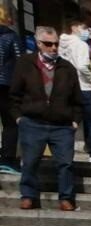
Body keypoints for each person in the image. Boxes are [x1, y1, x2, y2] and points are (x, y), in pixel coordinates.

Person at [10, 26, 81, 211]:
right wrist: (18, 118)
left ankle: (66, 198)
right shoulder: (25, 63)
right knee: (30, 161)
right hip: (32, 122)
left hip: (62, 125)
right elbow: (14, 94)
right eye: (48, 44)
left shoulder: (67, 68)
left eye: (56, 44)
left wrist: (75, 120)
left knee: (65, 163)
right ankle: (28, 195)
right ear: (39, 44)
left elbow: (77, 99)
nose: (53, 48)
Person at [58, 21, 91, 163]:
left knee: (68, 121)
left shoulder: (61, 45)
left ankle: (65, 153)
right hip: (84, 87)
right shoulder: (81, 45)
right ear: (74, 28)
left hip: (67, 87)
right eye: (84, 28)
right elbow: (82, 66)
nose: (86, 32)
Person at [0, 10, 22, 174]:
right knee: (10, 122)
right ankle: (7, 160)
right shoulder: (11, 36)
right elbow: (20, 60)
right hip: (6, 84)